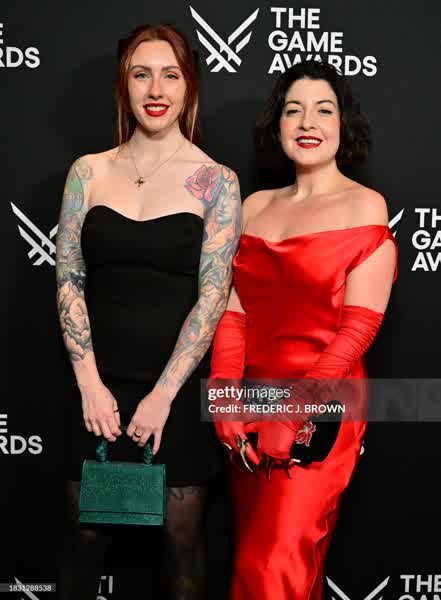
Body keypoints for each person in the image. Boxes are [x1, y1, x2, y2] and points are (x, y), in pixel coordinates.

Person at [55, 23, 241, 600]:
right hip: (95, 389)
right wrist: (89, 384)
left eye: (170, 75)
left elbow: (213, 297)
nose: (155, 89)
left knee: (182, 544)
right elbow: (69, 278)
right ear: (124, 84)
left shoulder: (217, 181)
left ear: (189, 87)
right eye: (142, 74)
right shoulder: (88, 172)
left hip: (174, 393)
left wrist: (163, 396)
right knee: (84, 537)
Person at [210, 60, 399, 599]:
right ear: (277, 126)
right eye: (294, 110)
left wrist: (293, 414)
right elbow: (235, 312)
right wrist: (223, 398)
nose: (308, 122)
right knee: (281, 567)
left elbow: (354, 335)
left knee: (273, 564)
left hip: (323, 409)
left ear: (343, 124)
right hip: (251, 405)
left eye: (324, 110)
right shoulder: (255, 207)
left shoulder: (365, 206)